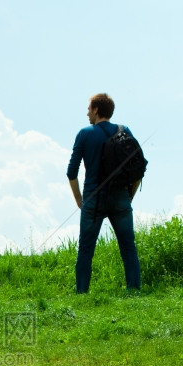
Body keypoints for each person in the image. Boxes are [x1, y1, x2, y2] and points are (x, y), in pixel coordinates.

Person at [66, 93, 141, 294]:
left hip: (93, 199)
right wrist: (129, 196)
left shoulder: (85, 133)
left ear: (97, 110)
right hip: (121, 199)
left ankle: (81, 293)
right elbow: (138, 169)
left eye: (89, 108)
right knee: (128, 248)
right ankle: (133, 291)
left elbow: (71, 172)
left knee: (86, 251)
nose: (87, 113)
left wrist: (79, 200)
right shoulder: (125, 131)